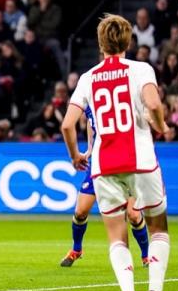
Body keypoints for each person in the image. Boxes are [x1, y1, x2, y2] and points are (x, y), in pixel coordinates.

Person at [61, 14, 170, 291]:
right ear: (128, 41)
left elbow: (66, 124)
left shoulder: (88, 78)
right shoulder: (141, 69)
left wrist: (75, 156)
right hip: (142, 162)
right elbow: (154, 104)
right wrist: (160, 125)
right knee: (158, 227)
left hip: (104, 164)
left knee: (117, 236)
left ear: (100, 44)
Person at [60, 107, 150, 268]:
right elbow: (90, 121)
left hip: (124, 163)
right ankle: (76, 250)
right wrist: (90, 148)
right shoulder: (92, 95)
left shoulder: (122, 96)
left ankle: (146, 255)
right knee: (80, 212)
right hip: (99, 163)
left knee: (134, 215)